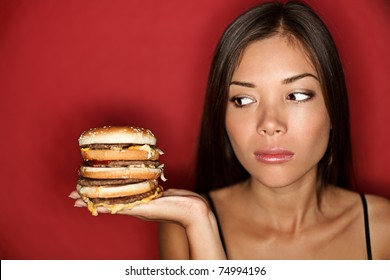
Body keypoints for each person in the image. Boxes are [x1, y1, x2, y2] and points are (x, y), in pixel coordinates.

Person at [70, 1, 390, 259]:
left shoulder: (382, 229)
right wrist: (200, 222)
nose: (269, 124)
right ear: (221, 116)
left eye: (296, 95)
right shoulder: (182, 226)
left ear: (333, 107)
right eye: (243, 99)